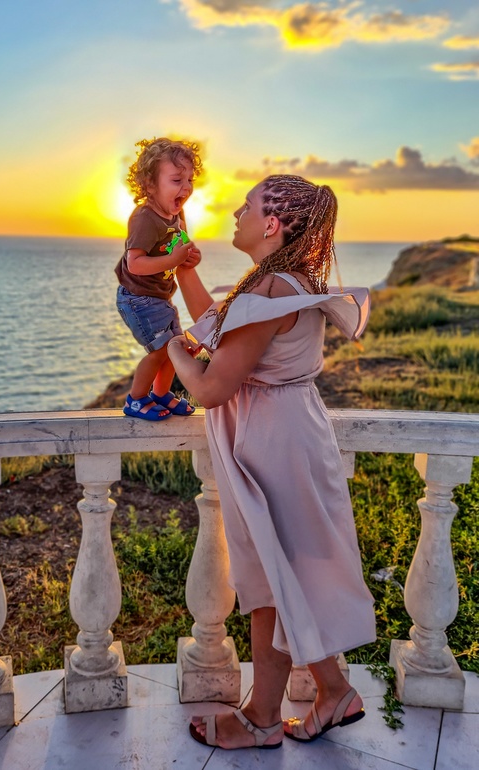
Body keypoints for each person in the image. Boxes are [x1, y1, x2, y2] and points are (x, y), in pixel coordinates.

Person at [167, 174, 376, 750]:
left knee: (270, 579)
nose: (236, 212)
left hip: (273, 444)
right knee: (285, 572)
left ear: (272, 224)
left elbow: (211, 387)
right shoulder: (284, 282)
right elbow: (227, 335)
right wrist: (184, 272)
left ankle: (262, 718)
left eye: (247, 205)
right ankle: (334, 692)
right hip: (284, 435)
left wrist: (173, 350)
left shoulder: (273, 287)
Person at [115, 137, 203, 421]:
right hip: (138, 298)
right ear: (150, 185)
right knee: (159, 350)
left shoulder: (176, 214)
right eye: (177, 180)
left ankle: (161, 393)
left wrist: (190, 257)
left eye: (189, 180)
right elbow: (135, 264)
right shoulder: (145, 218)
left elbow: (180, 247)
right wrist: (173, 260)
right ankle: (136, 400)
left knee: (175, 347)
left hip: (160, 296)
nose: (186, 187)